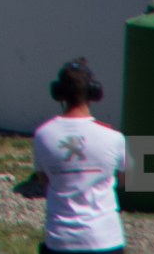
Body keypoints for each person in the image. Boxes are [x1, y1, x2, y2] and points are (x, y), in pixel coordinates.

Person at [20, 61, 126, 254]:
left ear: (58, 93)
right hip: (105, 240)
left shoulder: (42, 135)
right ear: (94, 92)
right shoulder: (114, 137)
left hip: (60, 241)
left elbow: (46, 182)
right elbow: (123, 179)